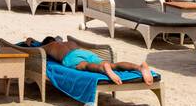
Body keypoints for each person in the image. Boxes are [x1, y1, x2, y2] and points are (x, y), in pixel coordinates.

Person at [30, 35, 159, 85]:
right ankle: (138, 67)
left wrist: (30, 41)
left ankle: (103, 69)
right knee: (113, 65)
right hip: (84, 52)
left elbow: (35, 49)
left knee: (85, 66)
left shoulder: (50, 46)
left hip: (71, 57)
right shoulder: (69, 42)